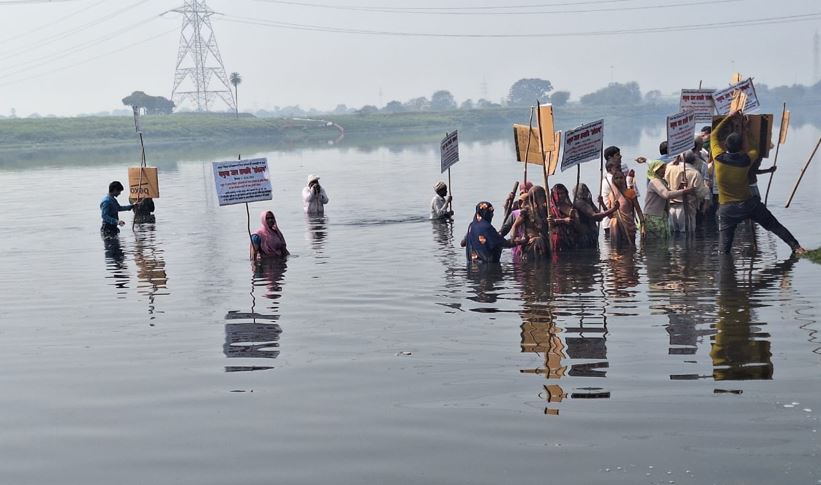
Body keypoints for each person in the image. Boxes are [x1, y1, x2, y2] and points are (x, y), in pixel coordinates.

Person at [711, 111, 805, 255]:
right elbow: (754, 148)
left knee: (724, 249)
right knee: (774, 225)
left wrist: (729, 116)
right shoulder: (747, 160)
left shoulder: (717, 158)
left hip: (727, 209)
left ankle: (726, 271)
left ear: (725, 145)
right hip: (748, 204)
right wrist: (747, 130)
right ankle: (796, 247)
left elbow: (713, 135)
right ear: (741, 146)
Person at [643, 160, 694, 239]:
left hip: (660, 216)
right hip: (653, 217)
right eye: (661, 168)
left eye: (664, 168)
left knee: (663, 243)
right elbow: (666, 194)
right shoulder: (654, 182)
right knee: (656, 243)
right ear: (655, 170)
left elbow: (671, 194)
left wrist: (680, 187)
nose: (664, 170)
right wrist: (684, 191)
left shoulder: (662, 181)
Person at [664, 150, 707, 233]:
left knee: (672, 239)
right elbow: (700, 194)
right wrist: (707, 188)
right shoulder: (695, 173)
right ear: (694, 161)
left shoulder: (669, 168)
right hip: (686, 209)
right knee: (686, 237)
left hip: (670, 208)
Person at [509, 186, 552, 261]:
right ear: (534, 197)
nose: (543, 198)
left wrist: (552, 221)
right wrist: (515, 239)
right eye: (540, 196)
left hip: (545, 243)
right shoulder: (526, 211)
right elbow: (515, 226)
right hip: (531, 244)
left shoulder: (546, 210)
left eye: (543, 195)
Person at [572, 183, 618, 249]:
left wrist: (602, 203)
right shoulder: (579, 203)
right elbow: (594, 216)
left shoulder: (589, 202)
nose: (584, 192)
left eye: (585, 190)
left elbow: (599, 218)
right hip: (584, 236)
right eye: (582, 190)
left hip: (592, 235)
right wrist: (613, 209)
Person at [608, 170, 644, 247]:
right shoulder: (612, 194)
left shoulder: (631, 192)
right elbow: (610, 215)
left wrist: (642, 225)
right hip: (617, 227)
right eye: (616, 178)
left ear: (624, 179)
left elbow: (638, 210)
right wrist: (602, 204)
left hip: (629, 226)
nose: (619, 180)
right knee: (618, 252)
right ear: (613, 180)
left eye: (621, 178)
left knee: (630, 250)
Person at [549, 184, 576, 253]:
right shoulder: (549, 207)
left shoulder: (569, 205)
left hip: (569, 237)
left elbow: (576, 222)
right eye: (558, 193)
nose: (561, 195)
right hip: (556, 237)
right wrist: (563, 220)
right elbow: (549, 221)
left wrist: (573, 216)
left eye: (563, 193)